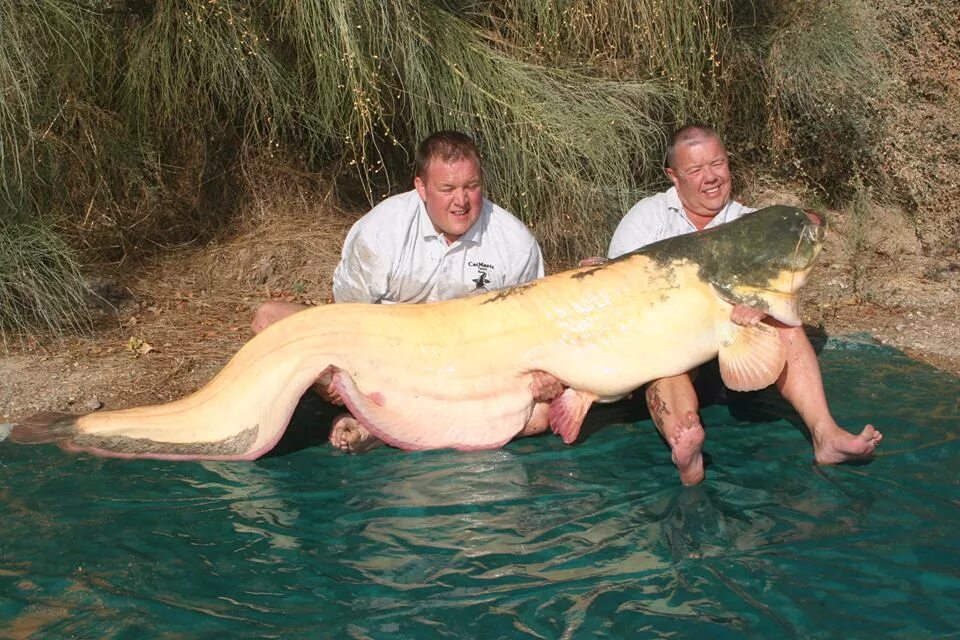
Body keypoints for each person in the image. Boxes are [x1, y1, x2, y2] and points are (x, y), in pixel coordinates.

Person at [607, 124, 883, 485]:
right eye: (695, 170)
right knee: (666, 363)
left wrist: (765, 303)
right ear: (673, 177)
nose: (711, 178)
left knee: (785, 321)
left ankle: (826, 435)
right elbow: (618, 296)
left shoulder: (748, 222)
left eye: (718, 164)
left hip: (733, 355)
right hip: (669, 349)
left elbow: (809, 225)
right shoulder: (647, 217)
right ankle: (685, 445)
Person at [250, 130, 545, 452]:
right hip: (380, 357)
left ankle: (376, 425)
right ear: (420, 187)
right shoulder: (381, 230)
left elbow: (531, 330)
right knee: (270, 319)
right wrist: (332, 378)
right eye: (447, 189)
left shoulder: (515, 242)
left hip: (466, 368)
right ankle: (375, 412)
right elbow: (345, 320)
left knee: (539, 415)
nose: (461, 201)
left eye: (471, 187)